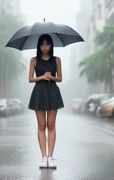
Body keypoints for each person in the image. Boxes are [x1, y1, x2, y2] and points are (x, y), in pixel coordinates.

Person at [28, 34, 64, 169]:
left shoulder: (57, 60)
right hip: (39, 93)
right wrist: (43, 76)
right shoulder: (34, 60)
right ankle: (43, 157)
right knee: (41, 126)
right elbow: (30, 79)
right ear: (39, 45)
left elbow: (60, 78)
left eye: (47, 44)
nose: (45, 47)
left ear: (51, 45)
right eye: (42, 44)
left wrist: (52, 78)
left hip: (52, 92)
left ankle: (50, 156)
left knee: (51, 125)